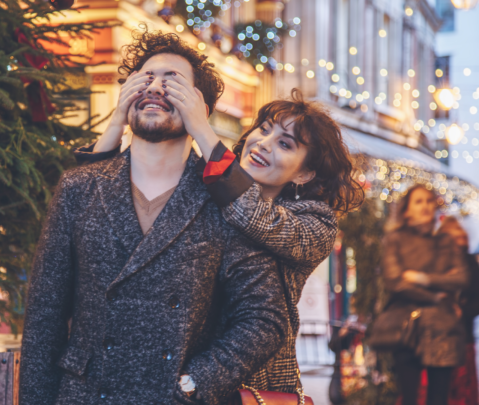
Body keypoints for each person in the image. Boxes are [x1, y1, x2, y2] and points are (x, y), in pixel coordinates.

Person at [19, 29, 289, 405]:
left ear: (201, 109)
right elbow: (43, 319)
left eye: (173, 81)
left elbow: (265, 321)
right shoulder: (79, 187)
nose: (156, 88)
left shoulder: (226, 200)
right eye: (145, 78)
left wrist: (196, 382)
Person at [76, 48, 364, 393]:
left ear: (304, 174)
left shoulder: (314, 224)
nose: (263, 144)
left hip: (253, 382)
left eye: (285, 144)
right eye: (264, 129)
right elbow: (91, 208)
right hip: (170, 370)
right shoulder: (208, 187)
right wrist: (116, 123)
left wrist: (201, 127)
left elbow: (254, 217)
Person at [381, 185, 468, 405]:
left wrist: (422, 278)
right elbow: (395, 282)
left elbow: (461, 278)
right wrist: (438, 297)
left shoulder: (446, 242)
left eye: (429, 201)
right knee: (408, 397)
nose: (426, 206)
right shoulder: (395, 240)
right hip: (407, 327)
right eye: (419, 201)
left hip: (443, 330)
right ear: (407, 209)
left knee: (438, 399)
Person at [438, 217, 479, 405]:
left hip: (462, 338)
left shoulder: (469, 262)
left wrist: (461, 312)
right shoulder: (435, 262)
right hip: (435, 339)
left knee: (462, 392)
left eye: (460, 238)